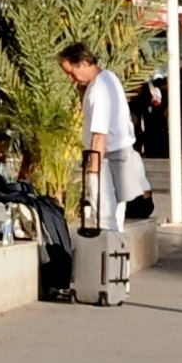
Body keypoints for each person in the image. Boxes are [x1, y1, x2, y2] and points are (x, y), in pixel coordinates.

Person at [60, 41, 141, 252]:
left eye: (71, 72)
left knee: (104, 215)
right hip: (120, 154)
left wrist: (92, 173)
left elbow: (99, 136)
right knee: (116, 215)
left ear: (84, 63)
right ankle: (116, 269)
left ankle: (108, 264)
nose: (71, 79)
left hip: (106, 158)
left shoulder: (98, 90)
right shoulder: (109, 78)